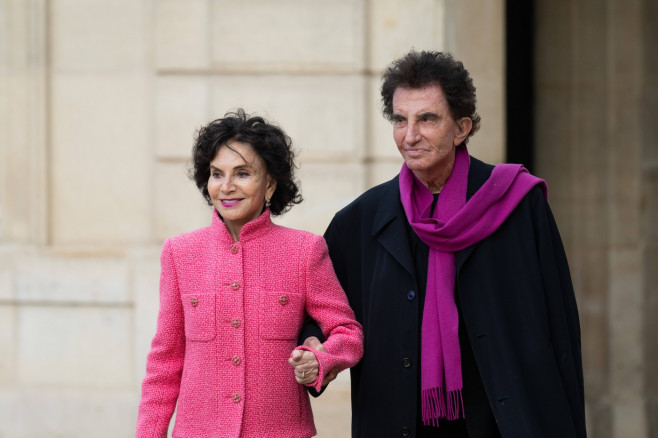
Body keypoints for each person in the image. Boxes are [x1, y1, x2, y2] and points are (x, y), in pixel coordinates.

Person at [303, 50, 586, 437]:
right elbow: (319, 316)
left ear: (461, 128)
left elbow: (561, 329)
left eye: (427, 119)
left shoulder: (519, 204)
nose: (410, 135)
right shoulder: (360, 221)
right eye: (400, 120)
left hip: (505, 423)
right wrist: (315, 349)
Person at [136, 109, 363, 438]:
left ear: (270, 182)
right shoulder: (179, 253)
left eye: (242, 174)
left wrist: (322, 358)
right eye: (217, 174)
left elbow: (348, 333)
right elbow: (165, 362)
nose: (226, 187)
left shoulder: (305, 251)